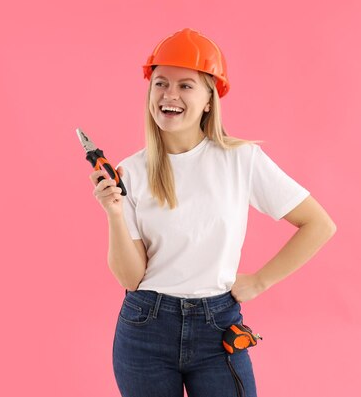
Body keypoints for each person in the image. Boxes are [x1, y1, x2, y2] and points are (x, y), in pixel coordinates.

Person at [88, 28, 337, 397]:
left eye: (185, 85)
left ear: (209, 99)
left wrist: (260, 281)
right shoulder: (131, 171)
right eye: (160, 83)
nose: (169, 95)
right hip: (145, 328)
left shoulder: (240, 160)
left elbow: (319, 224)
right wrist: (113, 212)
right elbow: (130, 277)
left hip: (217, 326)